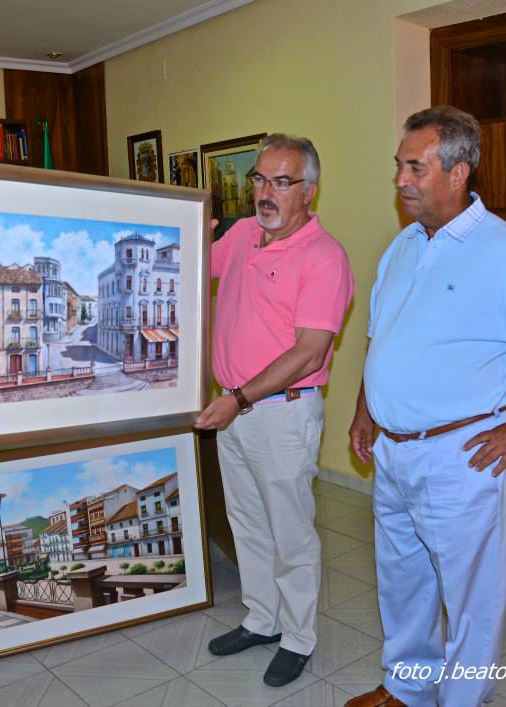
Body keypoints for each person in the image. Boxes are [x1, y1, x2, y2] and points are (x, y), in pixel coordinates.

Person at [346, 106, 506, 707]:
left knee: (471, 598)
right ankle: (406, 687)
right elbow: (382, 338)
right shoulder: (403, 247)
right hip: (396, 451)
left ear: (458, 172)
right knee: (402, 581)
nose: (401, 180)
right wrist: (365, 410)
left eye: (416, 167)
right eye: (399, 166)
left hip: (463, 456)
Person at [194, 134, 354, 686]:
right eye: (259, 179)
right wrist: (187, 229)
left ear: (308, 191)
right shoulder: (242, 235)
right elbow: (192, 269)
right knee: (247, 524)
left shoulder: (324, 256)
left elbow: (309, 349)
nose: (265, 192)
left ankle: (299, 637)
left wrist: (237, 399)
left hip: (281, 413)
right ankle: (262, 619)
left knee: (290, 533)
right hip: (233, 407)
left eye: (280, 182)